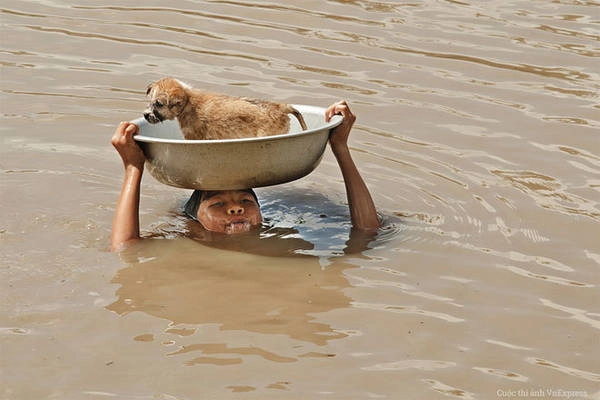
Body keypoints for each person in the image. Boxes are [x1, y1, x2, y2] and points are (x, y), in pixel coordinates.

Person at [110, 100, 381, 252]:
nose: (236, 207)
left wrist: (340, 147)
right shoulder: (185, 241)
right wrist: (133, 168)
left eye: (247, 202)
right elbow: (125, 250)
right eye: (217, 204)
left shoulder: (282, 236)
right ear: (193, 221)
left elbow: (367, 232)